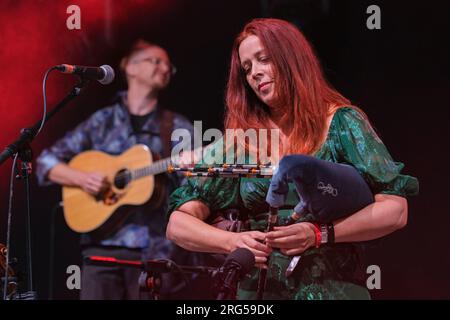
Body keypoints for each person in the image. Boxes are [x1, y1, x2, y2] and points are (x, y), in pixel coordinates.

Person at [166, 18, 419, 300]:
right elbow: (178, 224)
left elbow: (395, 210)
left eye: (264, 60)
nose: (255, 74)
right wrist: (231, 241)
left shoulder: (341, 122)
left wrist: (320, 233)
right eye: (247, 68)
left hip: (331, 289)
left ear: (291, 58)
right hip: (259, 292)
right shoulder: (240, 140)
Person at [36, 39, 195, 299]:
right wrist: (82, 178)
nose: (165, 68)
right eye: (156, 61)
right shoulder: (103, 121)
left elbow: (194, 191)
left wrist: (189, 169)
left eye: (169, 65)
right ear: (129, 67)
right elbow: (45, 162)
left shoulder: (178, 127)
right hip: (101, 252)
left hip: (154, 257)